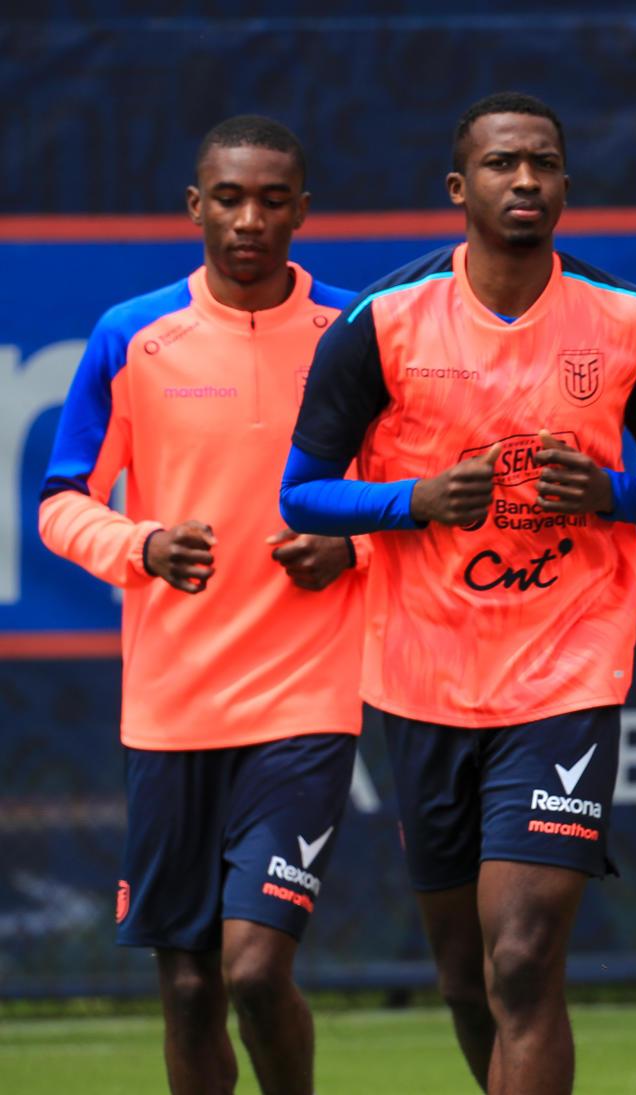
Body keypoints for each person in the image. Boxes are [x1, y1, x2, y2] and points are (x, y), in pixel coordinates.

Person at [279, 91, 636, 1094]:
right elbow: (300, 490)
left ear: (566, 183)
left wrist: (613, 493)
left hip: (565, 674)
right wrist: (415, 501)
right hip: (422, 680)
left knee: (522, 958)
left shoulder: (625, 322)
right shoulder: (380, 321)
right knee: (468, 978)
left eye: (545, 165)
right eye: (503, 165)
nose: (526, 181)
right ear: (457, 187)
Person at [38, 115, 364, 1095]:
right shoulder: (130, 335)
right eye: (229, 197)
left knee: (257, 970)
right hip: (172, 710)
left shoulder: (356, 337)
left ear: (304, 211)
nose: (250, 218)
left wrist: (349, 546)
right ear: (195, 206)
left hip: (306, 705)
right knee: (188, 987)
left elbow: (415, 502)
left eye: (273, 199)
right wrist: (139, 544)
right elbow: (61, 503)